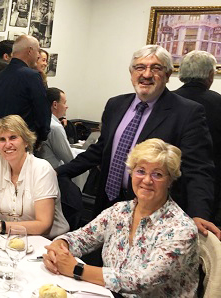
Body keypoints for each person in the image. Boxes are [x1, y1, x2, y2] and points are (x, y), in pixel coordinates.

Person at [56, 45, 220, 238]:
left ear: (168, 75)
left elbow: (198, 168)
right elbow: (101, 149)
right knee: (100, 258)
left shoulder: (187, 112)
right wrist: (57, 173)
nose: (147, 74)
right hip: (109, 202)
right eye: (140, 67)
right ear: (131, 73)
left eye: (156, 68)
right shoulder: (115, 105)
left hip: (154, 211)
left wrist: (199, 213)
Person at [43, 139, 199, 297]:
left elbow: (142, 280)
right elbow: (83, 237)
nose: (147, 180)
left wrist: (77, 269)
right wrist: (60, 246)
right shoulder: (120, 211)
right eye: (141, 171)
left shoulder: (181, 229)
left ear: (170, 180)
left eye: (157, 174)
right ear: (131, 173)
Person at [0, 115, 69, 239]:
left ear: (26, 141)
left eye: (13, 138)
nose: (7, 144)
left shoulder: (42, 169)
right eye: (2, 139)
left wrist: (1, 227)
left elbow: (44, 225)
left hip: (48, 241)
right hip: (11, 238)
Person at [175, 50, 221, 226]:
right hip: (207, 186)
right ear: (210, 75)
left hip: (167, 181)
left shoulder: (164, 100)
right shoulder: (218, 103)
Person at [0, 35, 50, 147]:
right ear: (30, 51)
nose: (38, 55)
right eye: (38, 51)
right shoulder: (32, 76)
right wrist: (41, 137)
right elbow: (42, 113)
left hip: (0, 143)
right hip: (23, 144)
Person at [37, 87, 73, 169]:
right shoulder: (55, 127)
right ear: (55, 104)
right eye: (64, 103)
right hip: (54, 173)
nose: (66, 106)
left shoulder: (43, 121)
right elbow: (69, 158)